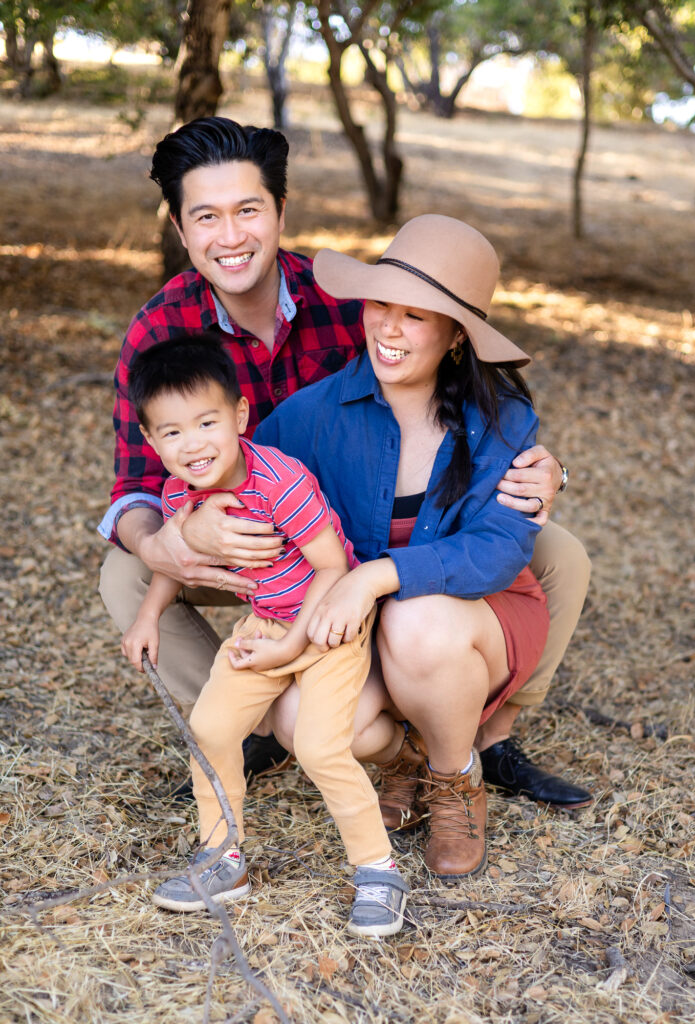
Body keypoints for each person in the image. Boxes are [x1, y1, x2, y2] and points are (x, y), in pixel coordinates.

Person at [98, 115, 590, 804]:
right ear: (181, 231)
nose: (230, 236)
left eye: (248, 210)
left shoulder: (349, 300)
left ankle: (487, 736)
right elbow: (134, 483)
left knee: (557, 550)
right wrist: (178, 534)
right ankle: (262, 715)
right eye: (206, 217)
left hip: (363, 533)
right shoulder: (162, 330)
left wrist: (551, 472)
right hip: (265, 538)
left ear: (279, 212)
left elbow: (464, 398)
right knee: (126, 571)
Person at [253, 214, 583, 878]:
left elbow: (494, 551)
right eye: (381, 304)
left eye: (417, 316)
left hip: (469, 621)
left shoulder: (502, 422)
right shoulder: (308, 415)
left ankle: (453, 776)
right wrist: (195, 522)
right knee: (300, 721)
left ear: (456, 334)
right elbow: (247, 487)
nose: (389, 328)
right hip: (359, 627)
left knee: (417, 618)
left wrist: (376, 575)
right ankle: (404, 761)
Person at [121, 335, 407, 936]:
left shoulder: (280, 479)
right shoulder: (180, 495)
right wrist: (148, 616)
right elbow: (172, 564)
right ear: (150, 441)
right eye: (171, 432)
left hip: (328, 619)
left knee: (320, 744)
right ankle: (224, 857)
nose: (193, 444)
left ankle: (378, 870)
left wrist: (292, 646)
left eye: (206, 422)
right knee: (210, 729)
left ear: (240, 416)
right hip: (265, 622)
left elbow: (332, 568)